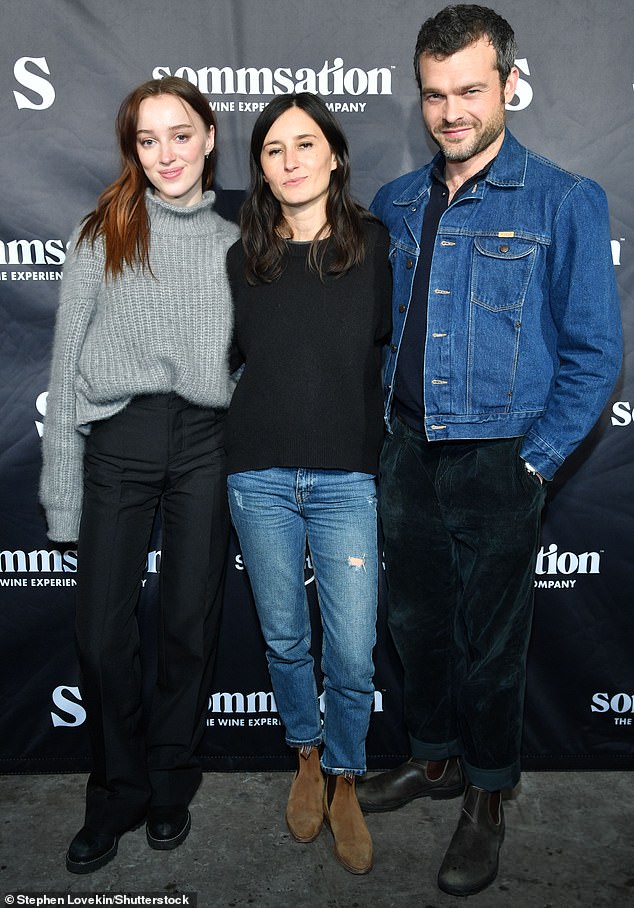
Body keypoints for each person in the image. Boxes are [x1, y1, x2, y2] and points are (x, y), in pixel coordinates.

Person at [355, 4, 622, 897]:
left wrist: (535, 461)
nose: (450, 111)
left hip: (499, 458)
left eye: (470, 89)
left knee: (492, 643)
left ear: (508, 84)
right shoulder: (394, 203)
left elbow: (594, 355)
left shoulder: (564, 199)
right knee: (415, 630)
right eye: (434, 94)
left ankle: (488, 796)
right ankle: (432, 760)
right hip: (406, 453)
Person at [40, 76, 239, 874]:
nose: (166, 154)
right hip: (117, 439)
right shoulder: (102, 233)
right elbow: (62, 363)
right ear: (132, 150)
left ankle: (168, 781)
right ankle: (116, 789)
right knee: (99, 634)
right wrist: (62, 491)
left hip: (205, 441)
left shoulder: (235, 245)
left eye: (181, 134)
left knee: (188, 624)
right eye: (148, 140)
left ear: (209, 139)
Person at [225, 92, 391, 875]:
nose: (288, 161)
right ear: (259, 167)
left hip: (346, 481)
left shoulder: (377, 248)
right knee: (286, 640)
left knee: (352, 652)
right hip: (256, 475)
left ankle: (347, 773)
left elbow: (390, 361)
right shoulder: (242, 258)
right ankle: (305, 756)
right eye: (271, 150)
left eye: (304, 144)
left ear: (333, 154)